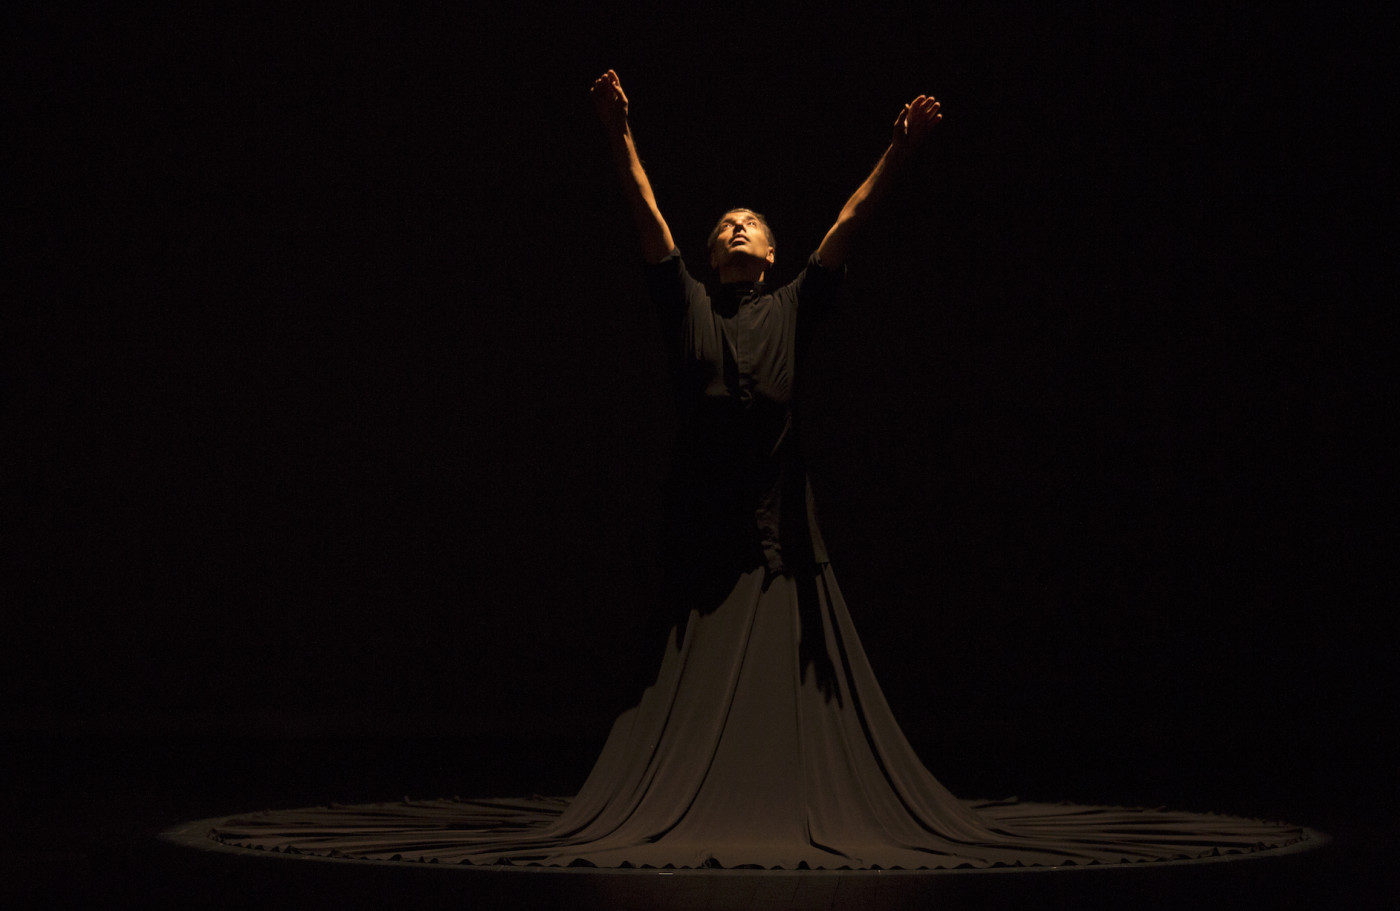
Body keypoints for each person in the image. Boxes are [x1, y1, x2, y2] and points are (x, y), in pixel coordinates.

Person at [206, 71, 1304, 869]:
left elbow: (849, 219)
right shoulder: (684, 299)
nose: (731, 224)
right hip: (699, 521)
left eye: (746, 221)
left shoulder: (792, 305)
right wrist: (618, 131)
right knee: (683, 664)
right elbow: (643, 220)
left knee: (780, 663)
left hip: (774, 523)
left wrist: (899, 148)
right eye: (721, 218)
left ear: (767, 252)